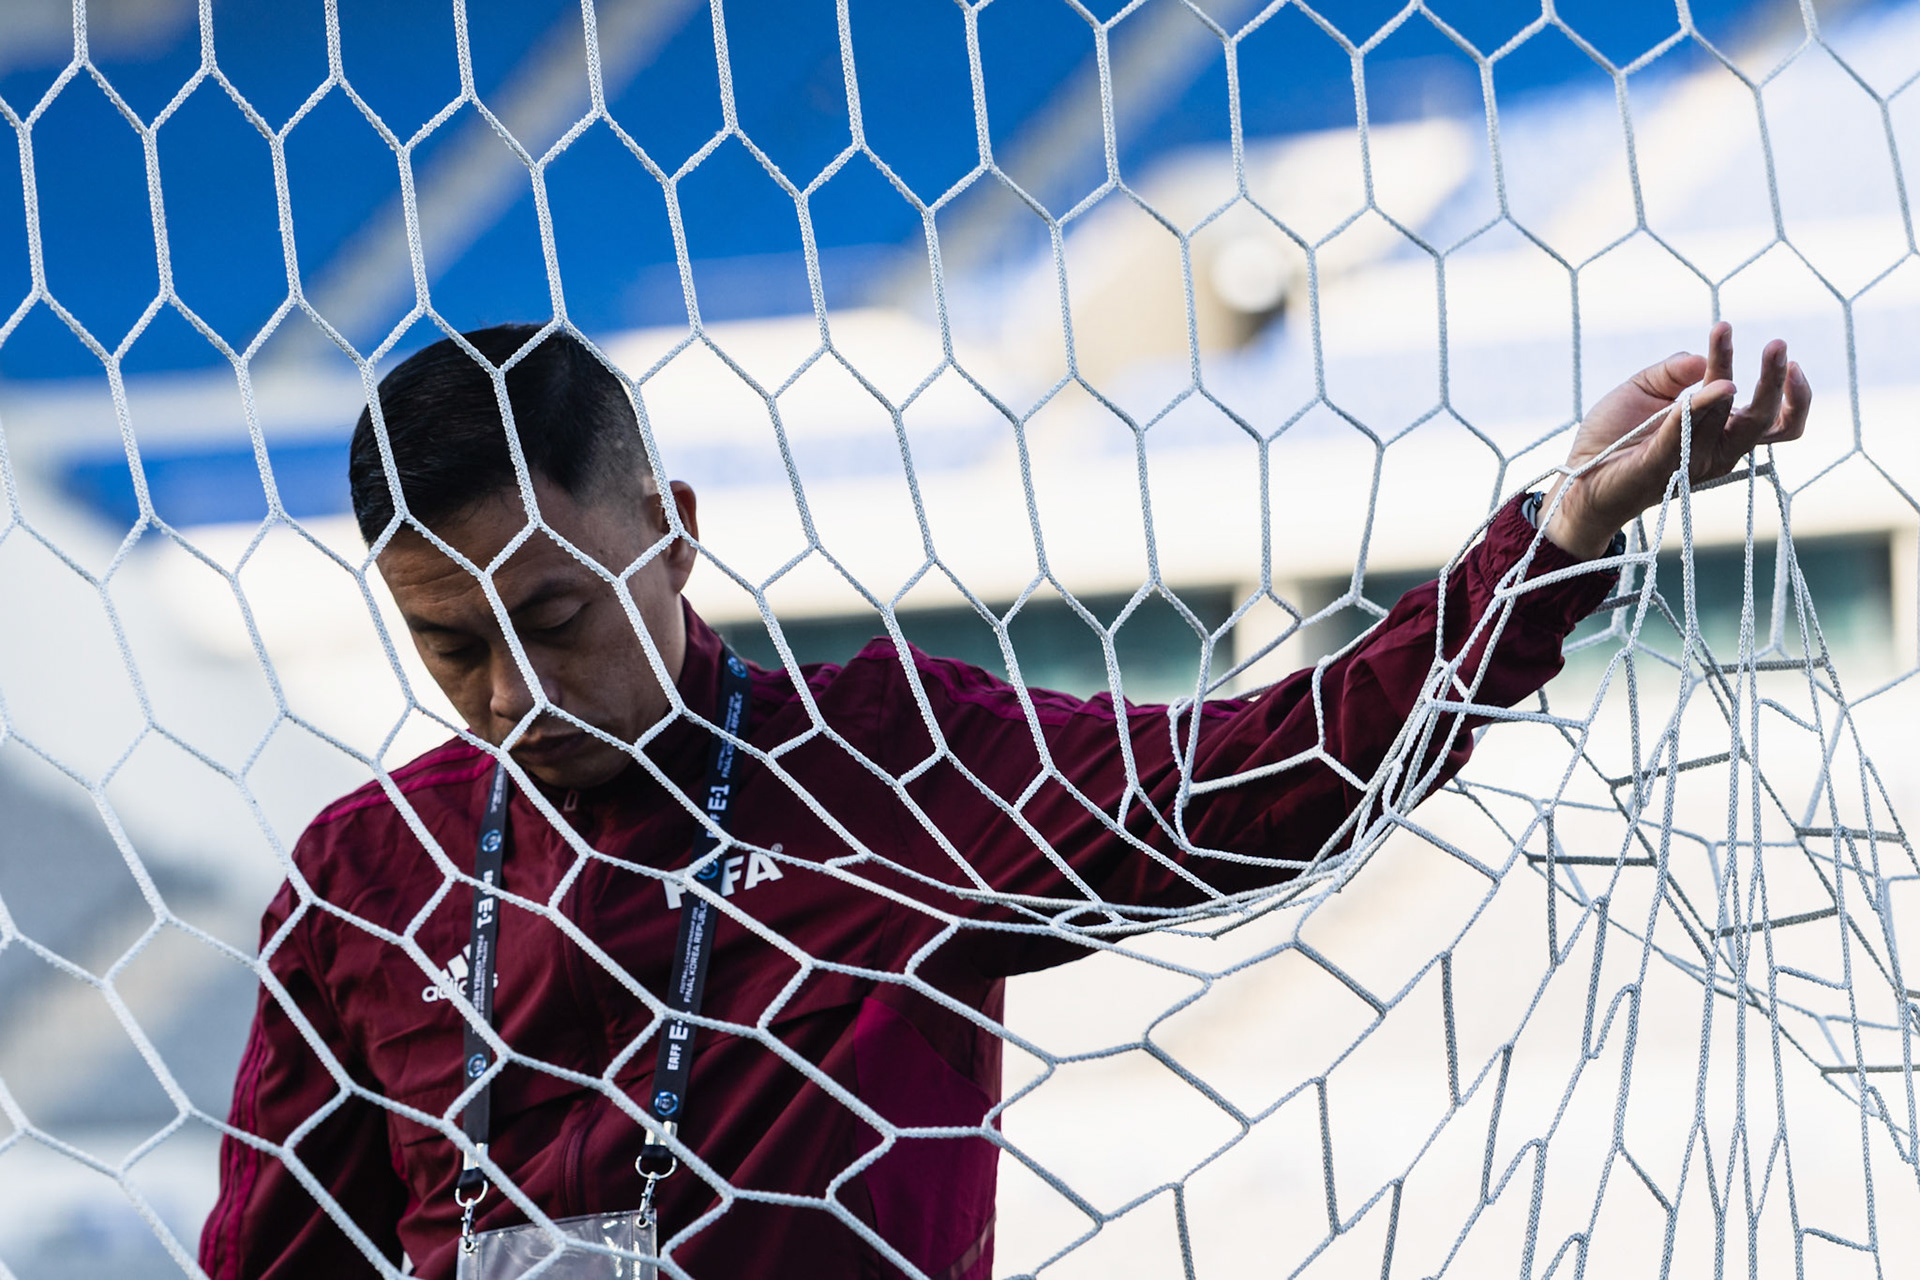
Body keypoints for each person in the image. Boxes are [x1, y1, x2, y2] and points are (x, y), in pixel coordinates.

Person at [199, 321, 1810, 1279]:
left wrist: (1557, 539)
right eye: (448, 644)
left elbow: (1266, 777)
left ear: (672, 529)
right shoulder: (366, 877)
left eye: (553, 622)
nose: (509, 696)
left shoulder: (892, 759)